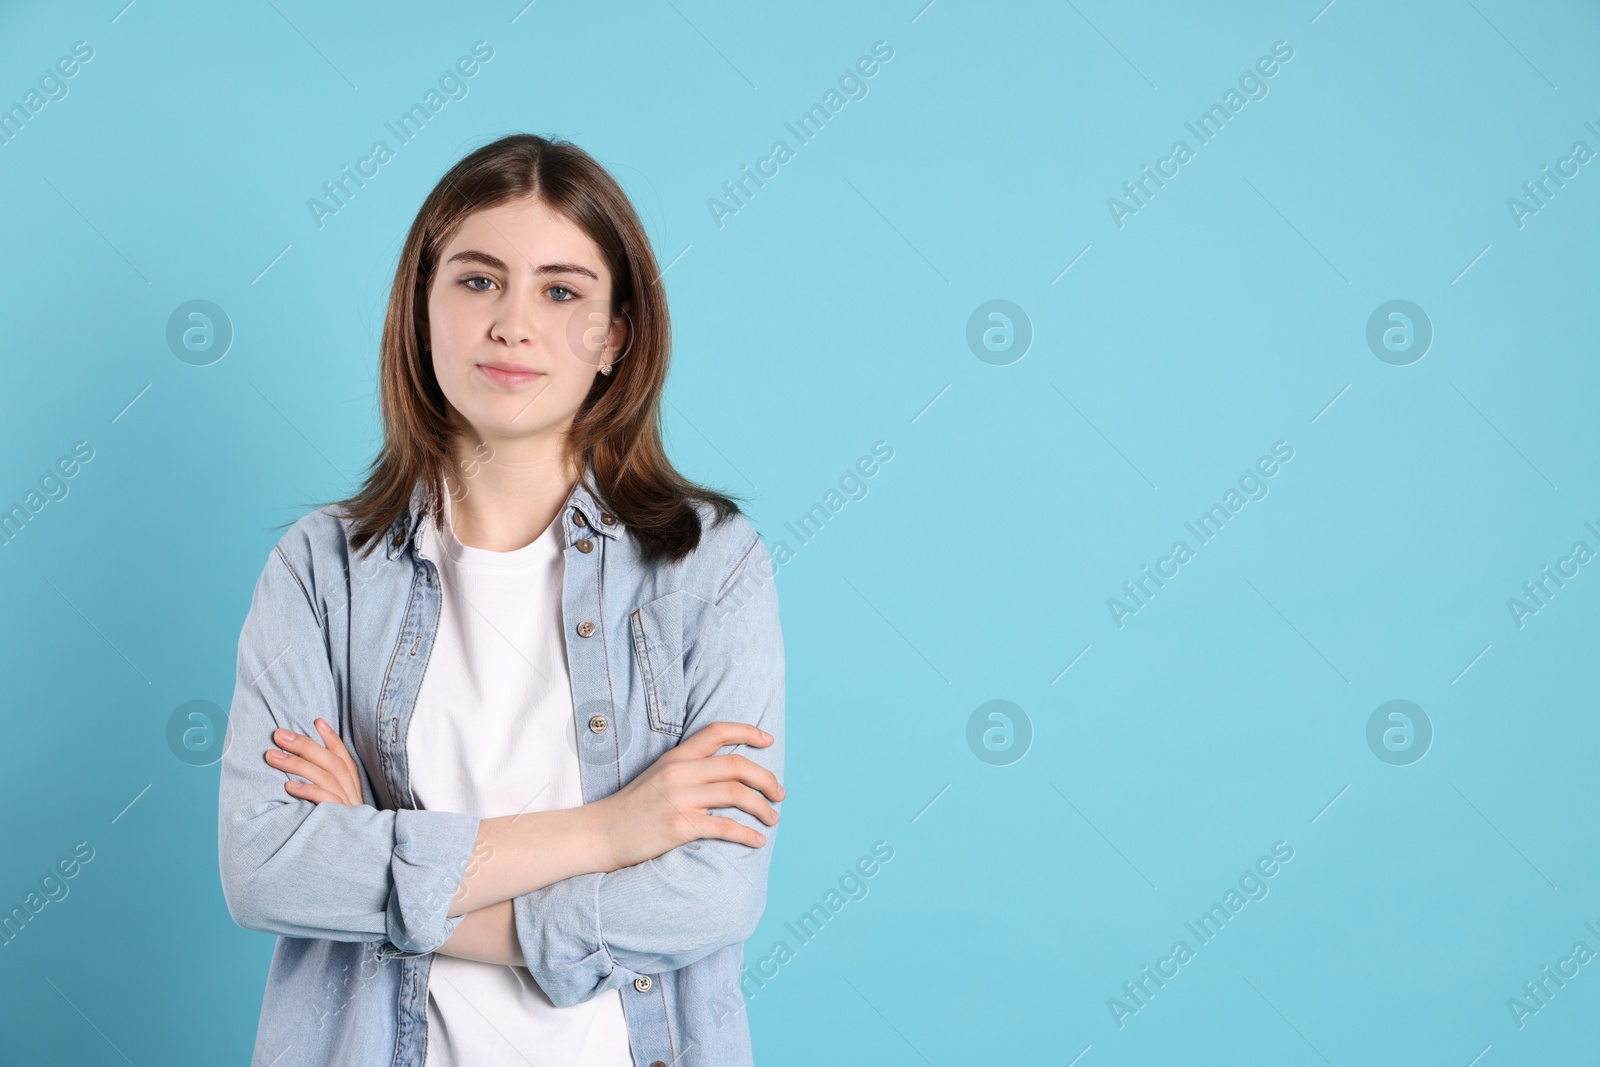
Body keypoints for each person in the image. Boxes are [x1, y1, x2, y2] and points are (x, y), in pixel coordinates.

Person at [217, 133, 786, 1067]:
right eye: (478, 281)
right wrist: (609, 831)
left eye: (562, 291)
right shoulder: (320, 569)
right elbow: (268, 869)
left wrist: (376, 854)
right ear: (422, 311)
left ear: (615, 336)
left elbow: (714, 895)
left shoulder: (710, 566)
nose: (513, 323)